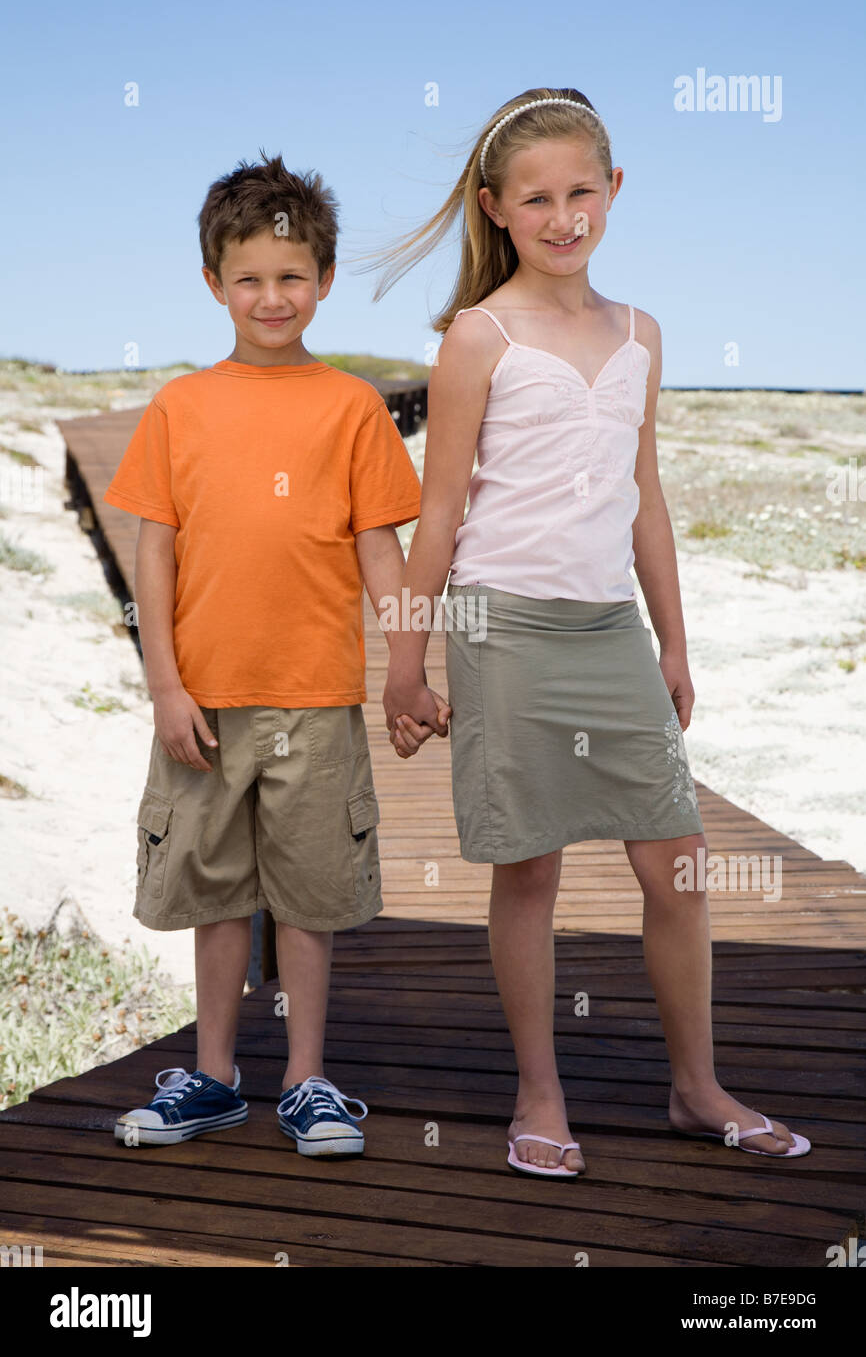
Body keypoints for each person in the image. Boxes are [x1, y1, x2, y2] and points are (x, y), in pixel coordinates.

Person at [361, 87, 811, 1176]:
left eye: (579, 192)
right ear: (495, 208)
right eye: (536, 199)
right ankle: (539, 1089)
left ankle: (694, 1087)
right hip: (502, 629)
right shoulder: (479, 335)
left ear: (613, 192)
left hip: (608, 629)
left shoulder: (639, 333)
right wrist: (406, 662)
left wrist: (672, 641)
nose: (562, 217)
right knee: (527, 870)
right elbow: (442, 511)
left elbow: (643, 497)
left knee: (680, 863)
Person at [103, 150, 449, 1157]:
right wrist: (164, 684)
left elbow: (377, 544)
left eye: (291, 277)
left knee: (306, 896)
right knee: (214, 894)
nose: (271, 296)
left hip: (316, 702)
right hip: (203, 703)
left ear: (325, 281)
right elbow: (153, 552)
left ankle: (305, 1079)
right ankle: (213, 1074)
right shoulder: (180, 407)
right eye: (248, 278)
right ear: (214, 283)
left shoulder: (348, 406)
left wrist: (405, 665)